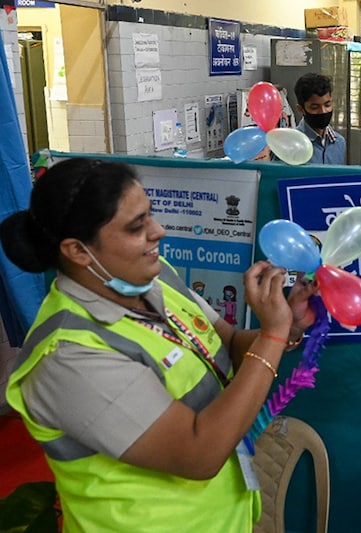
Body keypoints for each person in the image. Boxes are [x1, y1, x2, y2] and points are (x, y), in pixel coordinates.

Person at [1, 158, 317, 532]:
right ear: (78, 251)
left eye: (150, 215)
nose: (159, 231)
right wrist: (273, 335)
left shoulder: (154, 279)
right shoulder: (68, 355)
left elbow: (228, 343)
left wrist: (289, 327)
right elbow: (199, 453)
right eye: (138, 227)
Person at [294, 72, 346, 165]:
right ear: (301, 109)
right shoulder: (290, 144)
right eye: (315, 107)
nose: (323, 111)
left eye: (327, 105)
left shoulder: (339, 142)